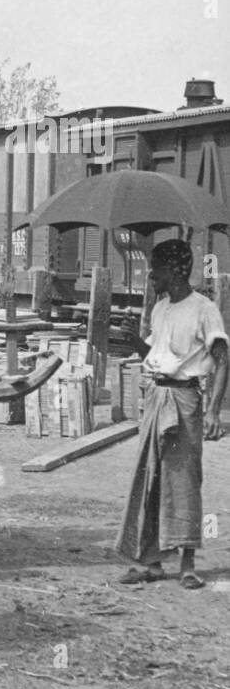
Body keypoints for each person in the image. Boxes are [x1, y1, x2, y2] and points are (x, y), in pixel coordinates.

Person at [117, 239, 227, 590]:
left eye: (156, 268)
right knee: (149, 477)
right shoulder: (160, 309)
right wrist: (132, 339)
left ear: (175, 271)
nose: (150, 276)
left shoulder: (204, 308)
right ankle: (149, 561)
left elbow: (223, 359)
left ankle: (188, 564)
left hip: (185, 400)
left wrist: (212, 412)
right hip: (156, 396)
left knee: (182, 480)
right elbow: (154, 352)